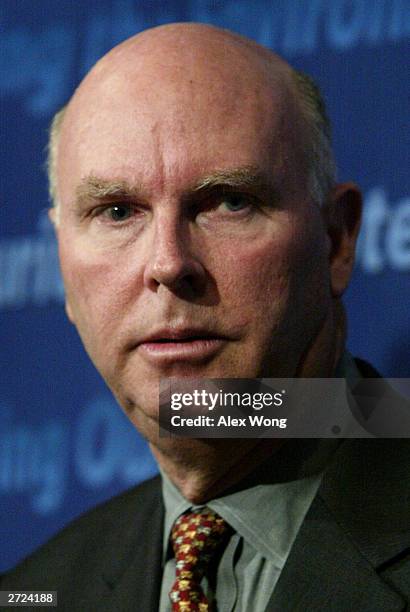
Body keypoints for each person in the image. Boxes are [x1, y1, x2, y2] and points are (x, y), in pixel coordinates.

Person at [2, 22, 409, 611]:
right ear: (62, 268)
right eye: (117, 211)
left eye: (229, 201)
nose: (169, 263)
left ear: (336, 239)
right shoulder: (38, 591)